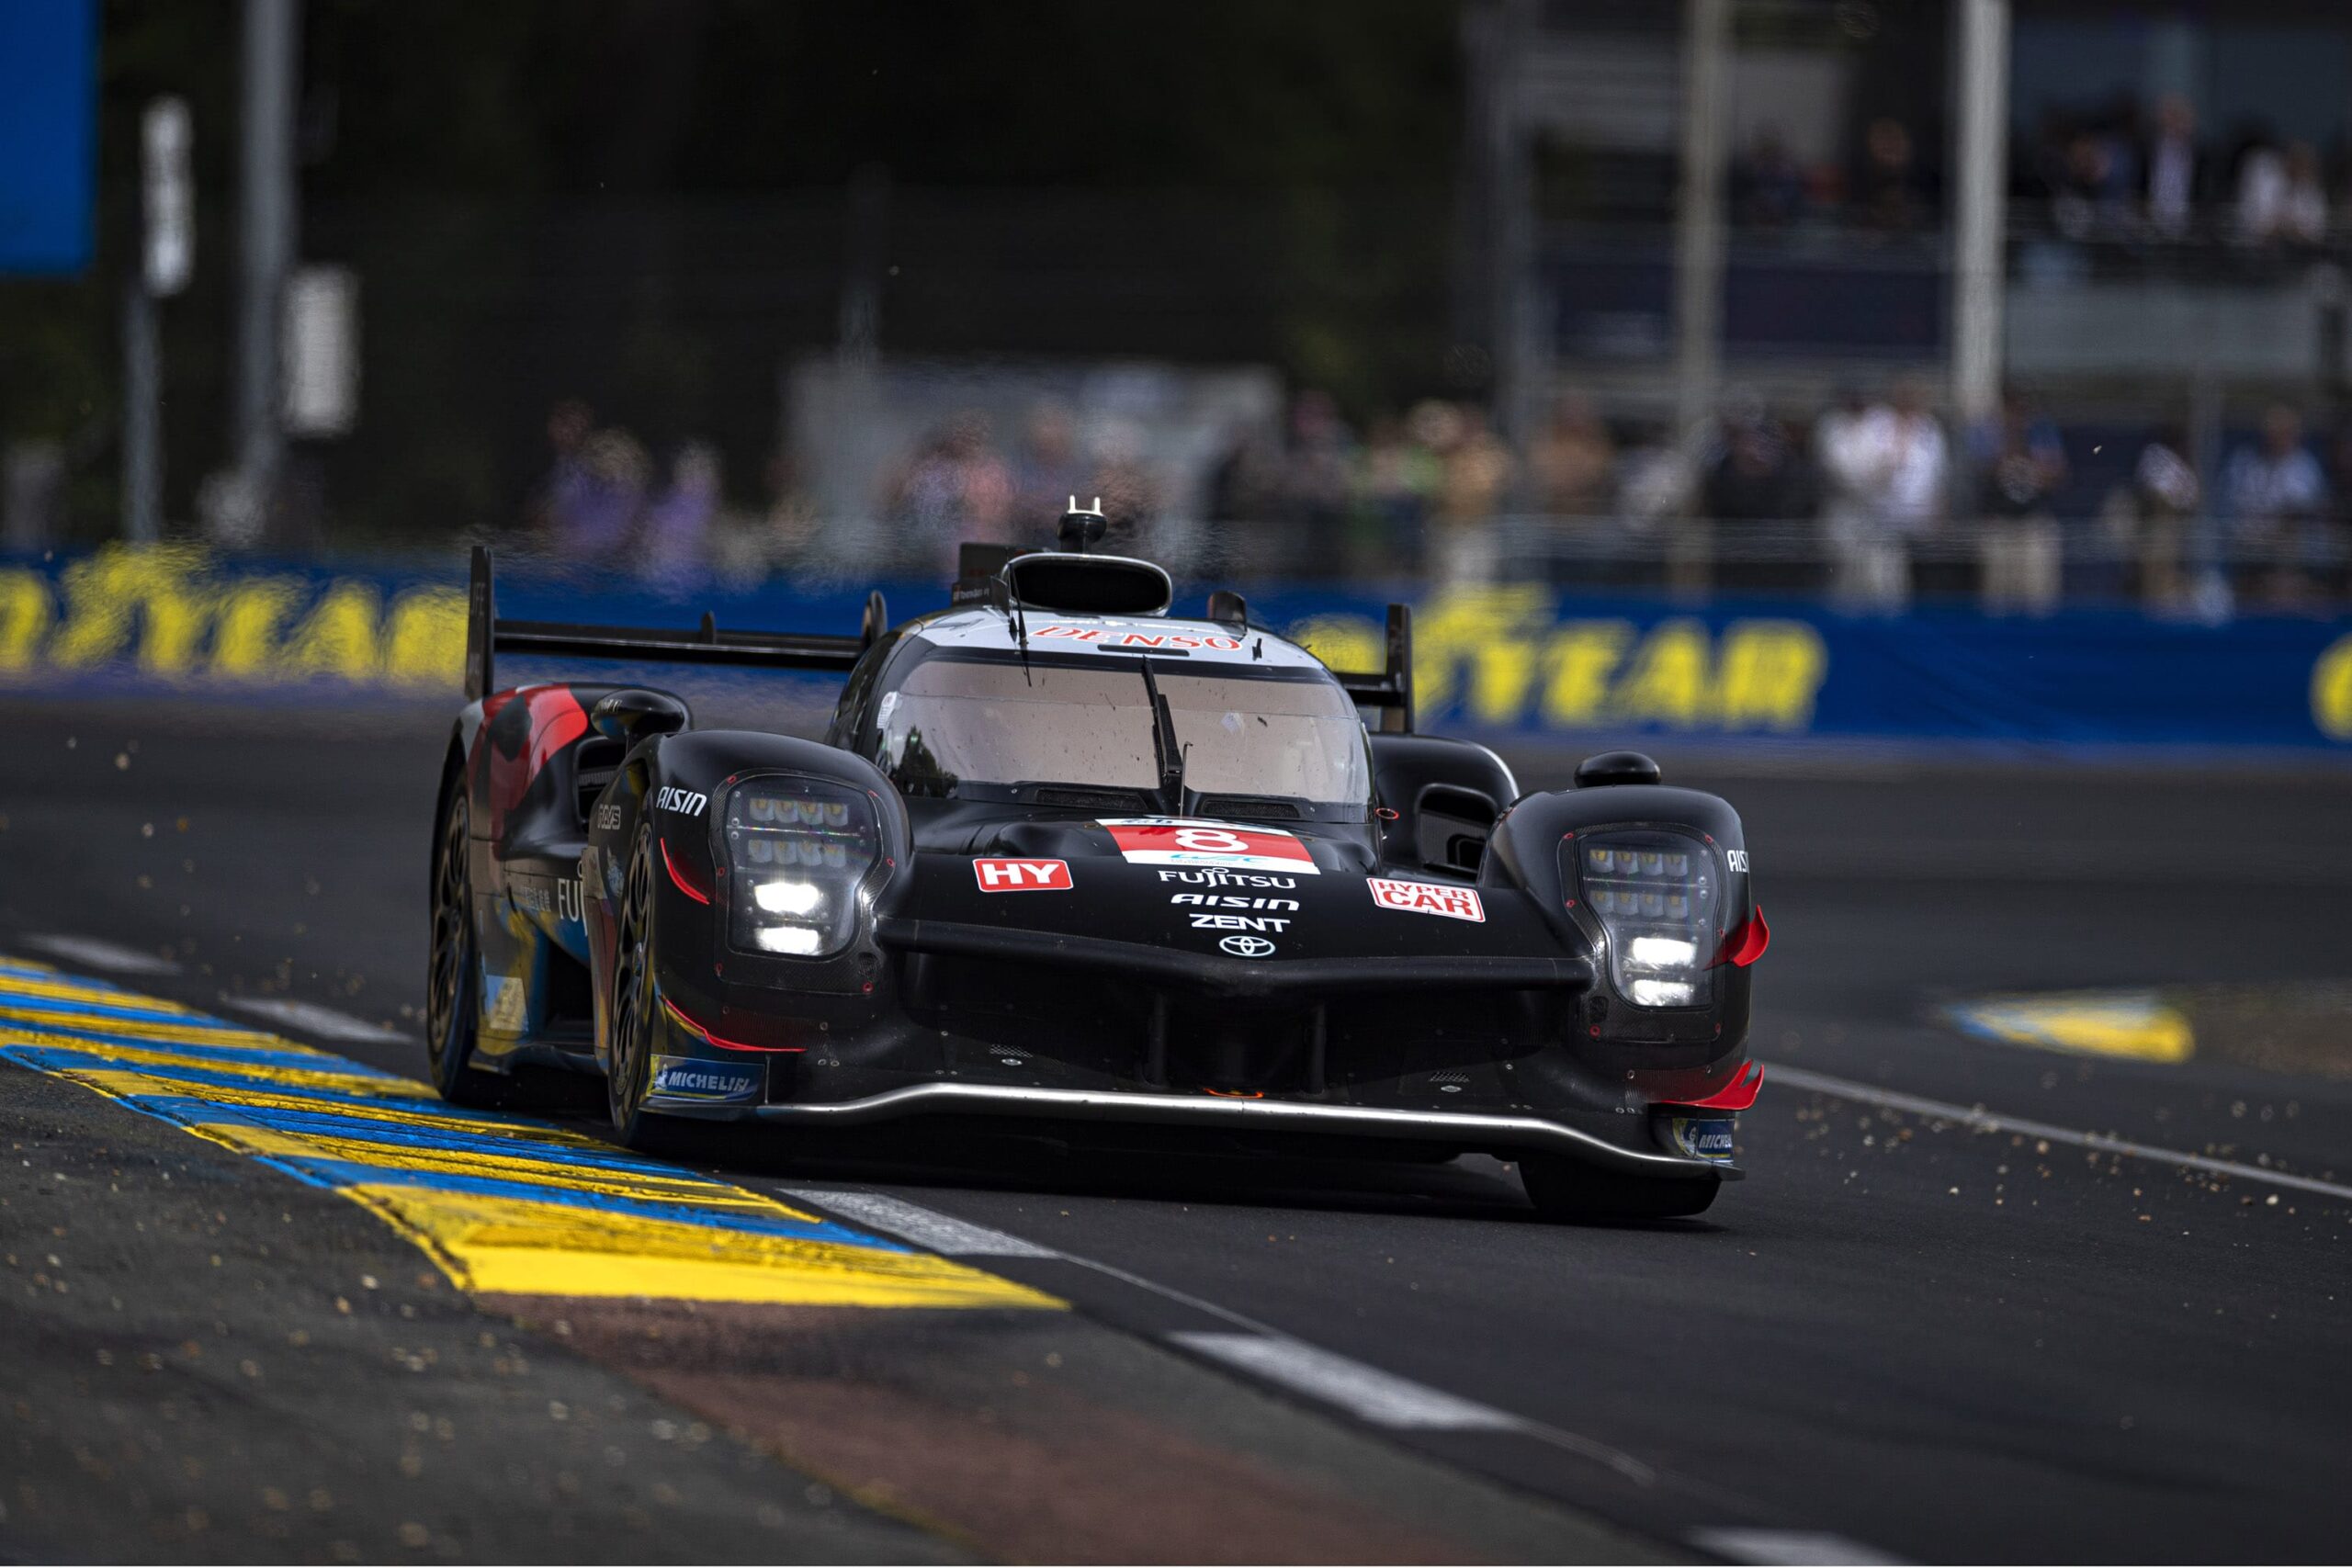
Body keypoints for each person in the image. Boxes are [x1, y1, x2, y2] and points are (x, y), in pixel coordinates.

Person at [1971, 389, 2068, 615]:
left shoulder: (2041, 430)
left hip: (2032, 524)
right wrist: (2006, 453)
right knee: (1996, 598)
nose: (2015, 415)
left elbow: (2059, 474)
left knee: (2037, 597)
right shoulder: (1986, 431)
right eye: (2010, 409)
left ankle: (2037, 645)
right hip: (1999, 523)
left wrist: (2032, 467)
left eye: (2020, 410)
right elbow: (1977, 470)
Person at [2222, 404, 2329, 606]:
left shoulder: (2304, 467)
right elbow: (2234, 504)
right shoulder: (2245, 462)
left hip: (2287, 550)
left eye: (2286, 432)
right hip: (2247, 542)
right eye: (2274, 431)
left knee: (2289, 537)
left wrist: (2267, 532)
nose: (2279, 437)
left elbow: (2295, 514)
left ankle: (2282, 596)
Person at [2129, 426, 2199, 609]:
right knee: (2160, 538)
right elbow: (2155, 497)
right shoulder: (2155, 455)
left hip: (2180, 529)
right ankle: (2151, 600)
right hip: (2154, 524)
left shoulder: (2189, 465)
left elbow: (2193, 500)